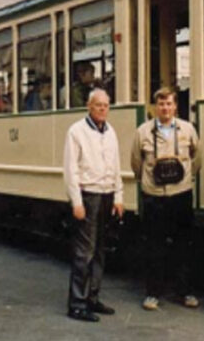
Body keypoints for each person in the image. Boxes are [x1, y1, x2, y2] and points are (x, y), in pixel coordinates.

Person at [130, 87, 201, 311]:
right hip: (154, 196)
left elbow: (196, 159)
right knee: (154, 247)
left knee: (184, 245)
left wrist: (186, 179)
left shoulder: (188, 129)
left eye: (169, 104)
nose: (165, 109)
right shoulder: (142, 132)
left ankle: (186, 291)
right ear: (155, 107)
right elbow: (135, 162)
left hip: (181, 195)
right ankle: (153, 293)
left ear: (175, 106)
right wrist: (149, 182)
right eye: (161, 104)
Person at [63, 88, 124, 323]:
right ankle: (77, 303)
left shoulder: (110, 132)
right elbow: (71, 169)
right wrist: (76, 201)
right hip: (88, 195)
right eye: (98, 105)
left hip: (107, 194)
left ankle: (92, 297)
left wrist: (118, 197)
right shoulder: (76, 131)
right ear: (89, 106)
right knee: (84, 252)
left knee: (100, 251)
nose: (102, 109)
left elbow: (115, 167)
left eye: (106, 105)